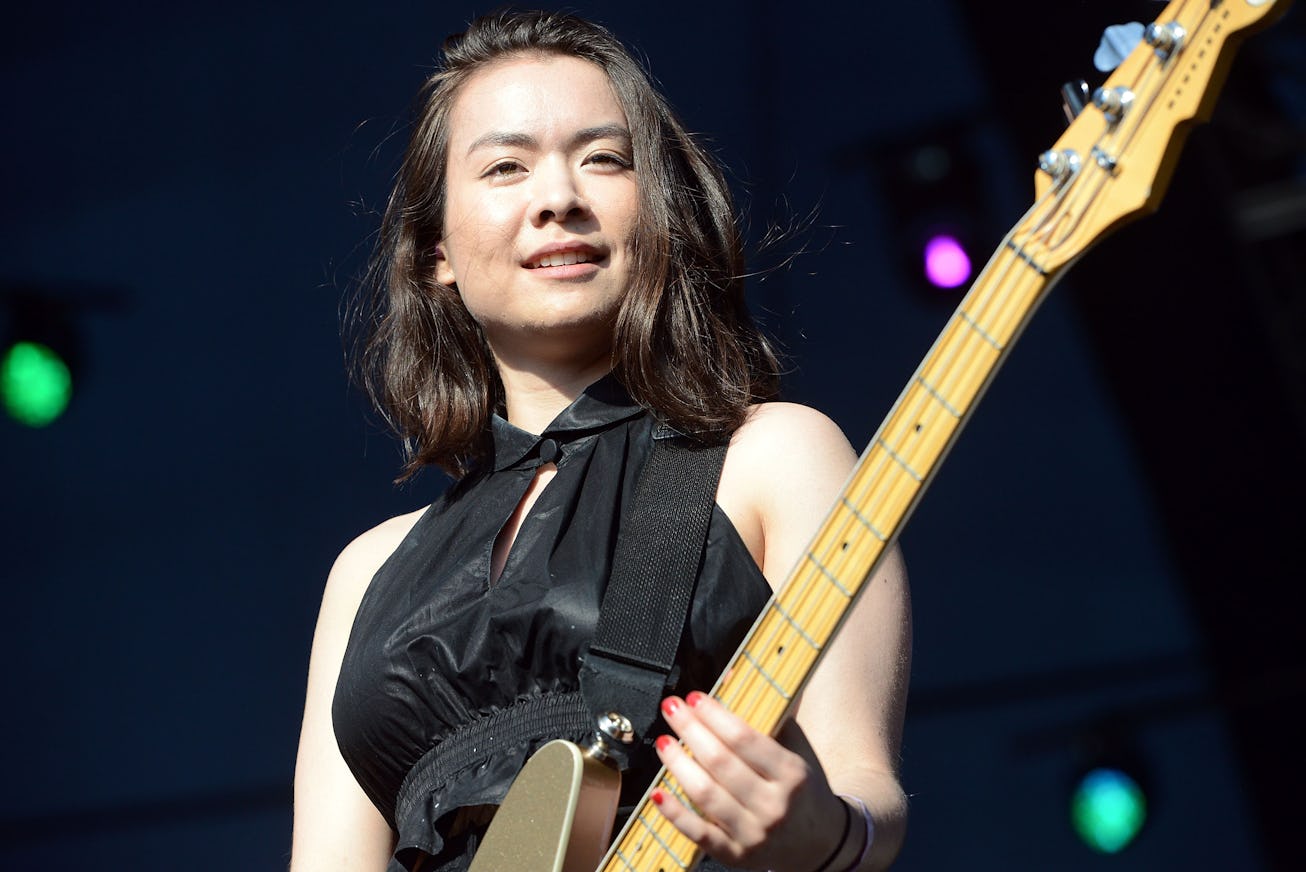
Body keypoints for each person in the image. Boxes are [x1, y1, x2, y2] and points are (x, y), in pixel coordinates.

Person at [291, 9, 910, 872]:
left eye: (605, 159)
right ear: (436, 252)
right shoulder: (367, 574)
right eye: (506, 167)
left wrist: (824, 832)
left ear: (659, 212)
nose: (558, 198)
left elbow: (865, 787)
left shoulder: (770, 457)